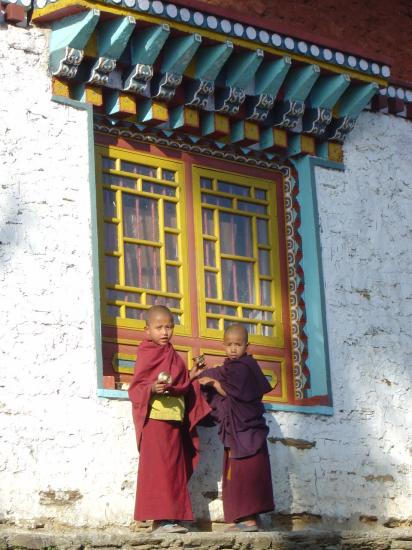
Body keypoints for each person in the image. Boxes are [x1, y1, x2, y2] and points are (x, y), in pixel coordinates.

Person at [128, 305, 210, 534]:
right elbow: (136, 388)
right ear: (147, 330)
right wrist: (152, 388)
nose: (165, 332)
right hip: (155, 420)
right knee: (159, 469)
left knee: (175, 469)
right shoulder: (146, 352)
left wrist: (192, 373)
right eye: (159, 327)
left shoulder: (173, 354)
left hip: (174, 419)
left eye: (169, 327)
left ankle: (171, 518)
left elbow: (181, 384)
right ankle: (160, 521)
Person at [198, 323, 275, 532]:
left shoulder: (245, 367)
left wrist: (213, 384)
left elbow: (233, 392)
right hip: (235, 430)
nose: (233, 349)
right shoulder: (230, 367)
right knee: (233, 473)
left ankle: (250, 519)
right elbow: (218, 372)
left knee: (247, 473)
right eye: (229, 344)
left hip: (247, 431)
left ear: (246, 346)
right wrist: (198, 375)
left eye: (238, 345)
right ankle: (235, 517)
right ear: (224, 345)